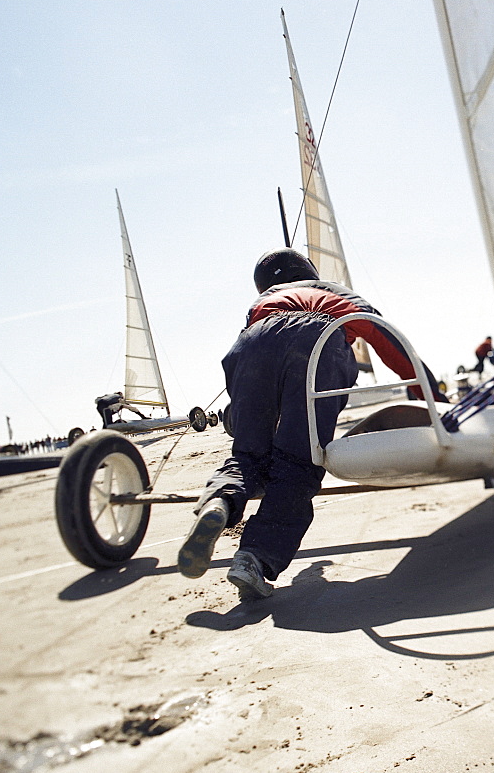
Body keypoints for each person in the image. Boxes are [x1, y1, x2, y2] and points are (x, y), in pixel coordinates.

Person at [178, 248, 447, 600]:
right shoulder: (335, 291)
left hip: (251, 342)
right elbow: (389, 341)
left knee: (247, 456)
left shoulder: (265, 301)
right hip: (318, 341)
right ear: (309, 271)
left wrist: (241, 416)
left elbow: (253, 368)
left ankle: (220, 502)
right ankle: (254, 558)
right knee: (298, 463)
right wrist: (431, 398)